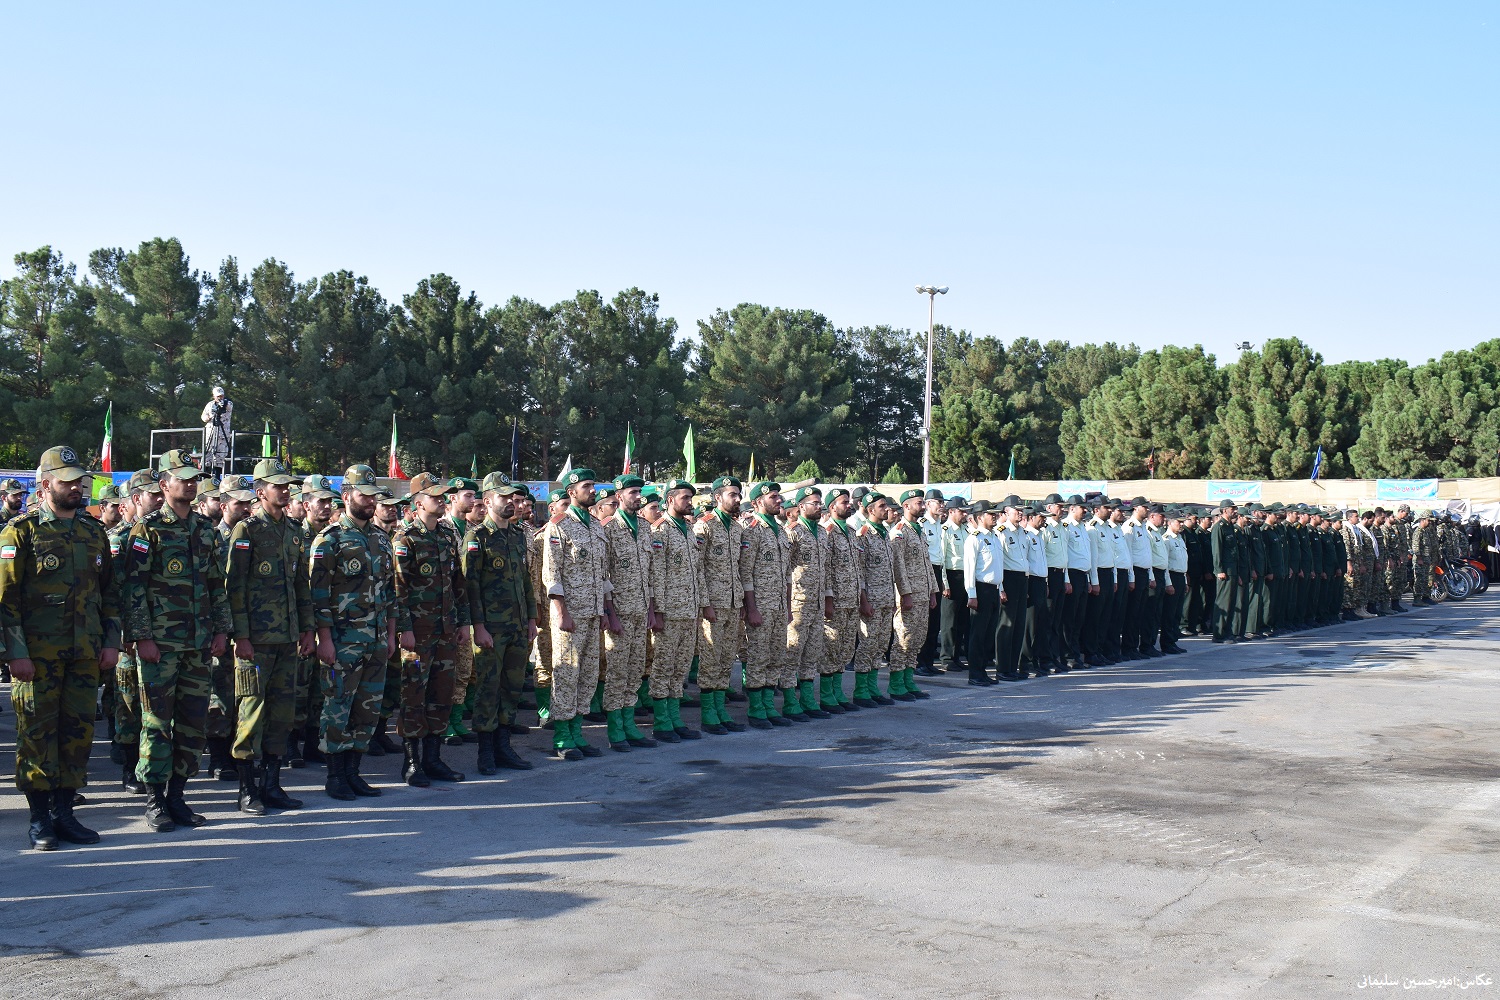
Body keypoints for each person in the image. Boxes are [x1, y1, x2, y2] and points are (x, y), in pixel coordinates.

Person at [0, 447, 121, 850]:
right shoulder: (21, 532)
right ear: (45, 485)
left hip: (84, 654)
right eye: (67, 481)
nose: (76, 487)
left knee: (77, 734)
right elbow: (5, 599)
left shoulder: (93, 532)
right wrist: (15, 652)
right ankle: (39, 820)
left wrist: (111, 642)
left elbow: (110, 595)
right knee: (37, 735)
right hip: (37, 657)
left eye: (79, 481)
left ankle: (64, 814)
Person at [124, 449, 231, 831]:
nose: (189, 484)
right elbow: (133, 589)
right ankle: (155, 800)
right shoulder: (147, 529)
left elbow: (217, 585)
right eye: (181, 478)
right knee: (156, 723)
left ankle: (178, 797)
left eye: (193, 478)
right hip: (161, 646)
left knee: (192, 723)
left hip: (199, 644)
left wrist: (222, 630)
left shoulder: (205, 529)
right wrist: (142, 638)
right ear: (164, 484)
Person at [224, 458, 313, 814]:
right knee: (252, 712)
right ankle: (247, 789)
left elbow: (301, 584)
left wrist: (306, 629)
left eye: (287, 485)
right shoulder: (246, 530)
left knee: (282, 714)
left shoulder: (293, 531)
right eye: (278, 486)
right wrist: (241, 636)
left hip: (287, 638)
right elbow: (234, 587)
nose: (285, 490)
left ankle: (272, 785)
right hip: (256, 641)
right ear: (261, 492)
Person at [310, 465, 398, 801]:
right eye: (364, 495)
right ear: (346, 496)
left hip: (376, 639)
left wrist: (390, 635)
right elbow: (318, 595)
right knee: (338, 706)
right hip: (342, 641)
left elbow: (390, 593)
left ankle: (353, 772)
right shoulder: (330, 539)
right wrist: (325, 639)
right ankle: (335, 776)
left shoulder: (381, 538)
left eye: (374, 496)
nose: (371, 501)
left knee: (368, 708)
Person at [392, 472, 471, 788]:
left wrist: (463, 622)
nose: (441, 500)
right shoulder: (405, 539)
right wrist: (405, 629)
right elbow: (398, 589)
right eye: (435, 496)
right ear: (418, 502)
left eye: (442, 496)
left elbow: (458, 584)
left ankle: (434, 759)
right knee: (413, 694)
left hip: (445, 630)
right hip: (417, 633)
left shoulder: (447, 536)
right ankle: (412, 763)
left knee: (442, 693)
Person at [540, 468, 615, 760]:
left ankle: (577, 733)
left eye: (593, 486)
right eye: (587, 486)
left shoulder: (595, 525)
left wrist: (605, 610)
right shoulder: (559, 525)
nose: (593, 491)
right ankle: (562, 737)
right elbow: (552, 574)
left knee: (588, 674)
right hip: (570, 615)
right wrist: (561, 613)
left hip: (593, 613)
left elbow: (603, 574)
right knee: (567, 674)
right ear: (571, 492)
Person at [595, 474, 661, 749]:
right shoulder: (608, 528)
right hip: (619, 612)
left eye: (639, 492)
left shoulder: (645, 527)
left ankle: (630, 722)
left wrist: (651, 609)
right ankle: (615, 728)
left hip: (640, 610)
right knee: (617, 670)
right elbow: (603, 575)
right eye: (633, 492)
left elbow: (650, 573)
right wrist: (610, 613)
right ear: (619, 496)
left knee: (635, 670)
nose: (638, 497)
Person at [651, 480, 709, 739]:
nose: (689, 502)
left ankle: (675, 718)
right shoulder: (660, 530)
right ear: (670, 500)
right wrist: (658, 611)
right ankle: (662, 721)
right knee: (663, 666)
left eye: (690, 498)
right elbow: (656, 574)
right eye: (685, 497)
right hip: (670, 612)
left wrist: (702, 605)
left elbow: (698, 572)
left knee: (680, 667)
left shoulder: (689, 529)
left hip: (690, 610)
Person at [292, 474, 339, 766]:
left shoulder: (334, 537)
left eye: (329, 501)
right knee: (297, 686)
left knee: (320, 688)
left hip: (326, 619)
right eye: (320, 501)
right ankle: (290, 744)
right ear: (306, 504)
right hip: (301, 622)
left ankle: (312, 742)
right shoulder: (296, 535)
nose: (326, 506)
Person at [695, 476, 748, 731]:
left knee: (727, 658)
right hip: (712, 605)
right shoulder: (704, 526)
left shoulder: (737, 528)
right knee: (710, 658)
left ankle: (720, 709)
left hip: (733, 603)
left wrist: (742, 602)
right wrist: (705, 604)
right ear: (718, 497)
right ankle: (708, 714)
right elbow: (697, 569)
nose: (737, 499)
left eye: (739, 495)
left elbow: (739, 567)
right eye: (732, 495)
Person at [739, 481, 794, 727]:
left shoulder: (780, 530)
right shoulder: (752, 530)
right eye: (773, 497)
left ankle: (769, 705)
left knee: (776, 656)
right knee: (758, 657)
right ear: (757, 502)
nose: (779, 500)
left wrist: (788, 607)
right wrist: (751, 608)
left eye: (779, 496)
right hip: (760, 606)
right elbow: (745, 573)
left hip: (779, 605)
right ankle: (756, 708)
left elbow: (787, 574)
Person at [786, 486, 830, 719]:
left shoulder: (821, 532)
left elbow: (826, 568)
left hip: (817, 600)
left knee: (812, 651)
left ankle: (807, 698)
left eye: (820, 503)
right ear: (801, 506)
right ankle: (789, 701)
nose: (819, 506)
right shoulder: (793, 532)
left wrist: (828, 597)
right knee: (793, 652)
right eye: (815, 503)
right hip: (798, 602)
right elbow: (784, 569)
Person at [820, 487, 866, 708]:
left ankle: (838, 692)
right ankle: (826, 695)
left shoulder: (851, 531)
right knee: (831, 647)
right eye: (844, 502)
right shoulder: (827, 532)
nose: (849, 505)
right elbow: (826, 569)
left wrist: (861, 597)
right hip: (836, 600)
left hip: (851, 600)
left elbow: (858, 568)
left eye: (849, 502)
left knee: (846, 648)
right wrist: (828, 599)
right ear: (832, 507)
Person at [854, 493, 902, 700]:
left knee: (881, 644)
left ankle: (872, 687)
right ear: (870, 510)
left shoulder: (886, 533)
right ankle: (861, 690)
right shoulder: (863, 535)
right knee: (867, 644)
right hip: (871, 600)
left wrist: (893, 598)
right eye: (882, 506)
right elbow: (860, 572)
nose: (887, 509)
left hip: (886, 599)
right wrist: (863, 601)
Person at [962, 500, 1000, 685]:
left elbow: (997, 566)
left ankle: (983, 671)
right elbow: (969, 568)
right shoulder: (974, 539)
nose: (994, 517)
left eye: (995, 514)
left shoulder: (995, 537)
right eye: (990, 514)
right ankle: (975, 674)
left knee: (988, 633)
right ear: (979, 517)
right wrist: (972, 594)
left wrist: (1001, 589)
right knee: (978, 634)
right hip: (981, 589)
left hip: (994, 589)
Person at [1061, 496, 1096, 669]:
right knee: (1069, 618)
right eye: (1082, 508)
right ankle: (1068, 655)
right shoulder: (1065, 527)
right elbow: (1064, 556)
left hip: (1083, 576)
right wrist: (1067, 579)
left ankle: (1075, 654)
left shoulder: (1083, 527)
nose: (1085, 511)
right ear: (1072, 508)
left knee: (1079, 619)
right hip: (1072, 575)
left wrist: (1089, 579)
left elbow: (1086, 556)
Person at [916, 490, 945, 674]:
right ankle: (919, 662)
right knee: (924, 619)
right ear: (927, 504)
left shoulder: (939, 525)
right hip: (926, 570)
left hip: (938, 571)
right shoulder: (922, 524)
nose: (942, 505)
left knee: (934, 620)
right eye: (938, 502)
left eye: (942, 502)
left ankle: (928, 661)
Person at [939, 502, 970, 671]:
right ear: (951, 511)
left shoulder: (966, 530)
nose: (965, 514)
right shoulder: (945, 530)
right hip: (952, 576)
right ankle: (947, 657)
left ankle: (956, 656)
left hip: (966, 576)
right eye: (961, 511)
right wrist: (945, 583)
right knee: (949, 621)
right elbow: (942, 559)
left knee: (962, 620)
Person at [200, 386, 233, 478]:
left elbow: (229, 407)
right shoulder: (210, 404)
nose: (220, 398)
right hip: (210, 432)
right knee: (207, 453)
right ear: (214, 396)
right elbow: (203, 417)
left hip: (222, 433)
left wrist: (222, 405)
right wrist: (210, 416)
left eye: (221, 396)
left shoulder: (228, 403)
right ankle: (204, 475)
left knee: (220, 455)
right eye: (218, 396)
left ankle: (217, 477)